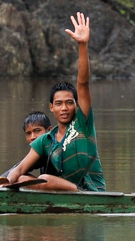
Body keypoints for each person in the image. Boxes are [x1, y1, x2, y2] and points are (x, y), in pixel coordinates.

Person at [6, 13, 106, 192]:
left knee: (44, 178)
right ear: (51, 107)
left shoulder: (83, 124)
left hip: (88, 191)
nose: (64, 108)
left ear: (76, 105)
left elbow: (83, 83)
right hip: (60, 190)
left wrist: (82, 45)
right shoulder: (46, 140)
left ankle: (75, 193)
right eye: (59, 104)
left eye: (69, 103)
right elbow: (20, 168)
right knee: (21, 177)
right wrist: (6, 182)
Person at [3, 111, 51, 180]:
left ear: (49, 130)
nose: (32, 137)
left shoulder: (54, 148)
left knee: (21, 178)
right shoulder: (37, 153)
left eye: (37, 131)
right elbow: (18, 168)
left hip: (62, 187)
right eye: (28, 133)